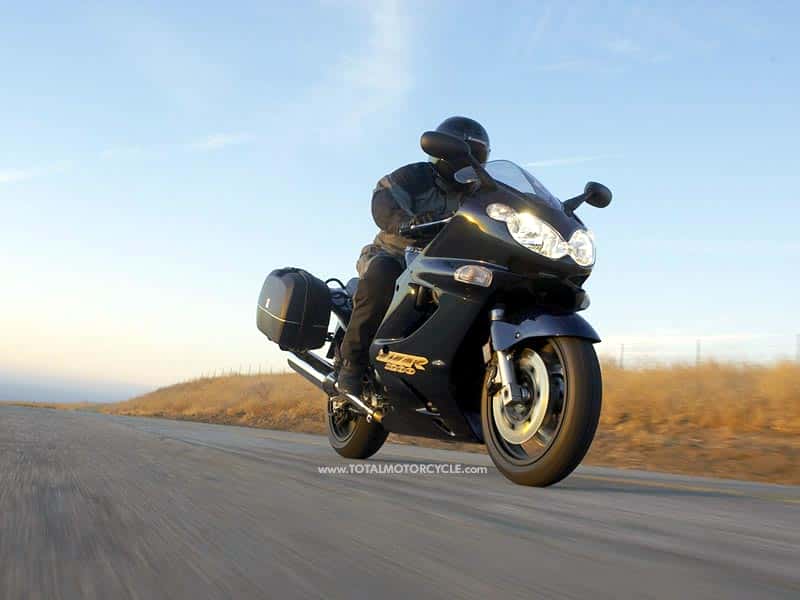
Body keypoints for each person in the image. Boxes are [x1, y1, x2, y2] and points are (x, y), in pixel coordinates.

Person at [336, 116, 491, 396]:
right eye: (466, 154)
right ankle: (352, 365)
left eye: (478, 156)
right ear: (443, 152)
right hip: (394, 253)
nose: (471, 162)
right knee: (382, 277)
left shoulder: (478, 192)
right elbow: (384, 199)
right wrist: (404, 221)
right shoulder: (416, 177)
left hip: (443, 265)